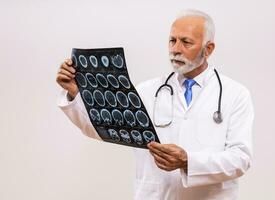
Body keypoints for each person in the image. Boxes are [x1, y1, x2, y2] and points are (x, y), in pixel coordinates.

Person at [56, 9, 254, 200]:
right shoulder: (148, 91)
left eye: (186, 42)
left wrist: (188, 160)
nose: (176, 49)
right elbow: (106, 128)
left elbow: (240, 159)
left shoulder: (235, 95)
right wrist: (76, 92)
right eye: (172, 40)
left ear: (208, 49)